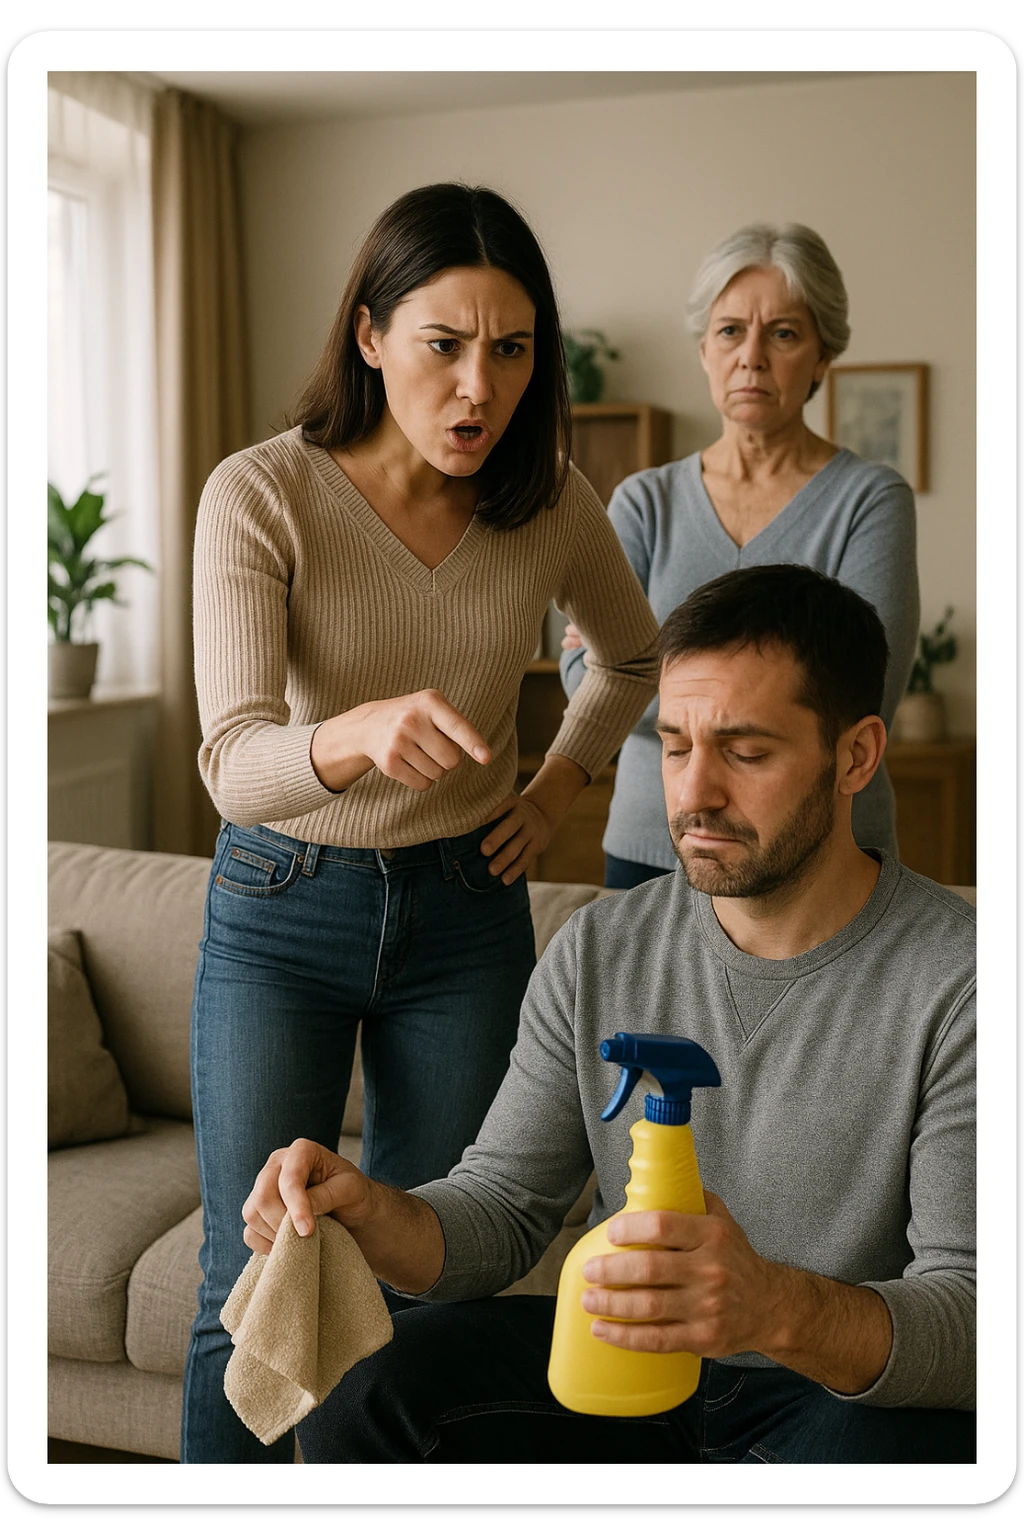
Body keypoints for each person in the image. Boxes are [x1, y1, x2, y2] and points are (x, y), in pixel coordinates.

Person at [243, 565, 975, 1465]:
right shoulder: (599, 949)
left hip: (831, 1399)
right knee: (368, 1389)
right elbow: (504, 1208)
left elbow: (977, 1313)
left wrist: (772, 1306)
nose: (694, 794)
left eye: (745, 753)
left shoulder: (964, 981)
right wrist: (367, 1216)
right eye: (674, 746)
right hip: (625, 1371)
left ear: (856, 756)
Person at [182, 183, 660, 1463]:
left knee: (425, 1282)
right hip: (283, 904)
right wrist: (351, 735)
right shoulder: (259, 495)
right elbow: (232, 762)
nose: (478, 386)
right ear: (369, 333)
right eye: (444, 344)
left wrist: (555, 787)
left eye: (510, 351)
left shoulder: (550, 499)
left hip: (465, 915)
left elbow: (631, 661)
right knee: (251, 1282)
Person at [561, 222, 920, 888]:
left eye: (783, 333)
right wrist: (765, 710)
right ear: (704, 350)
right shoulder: (643, 502)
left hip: (820, 852)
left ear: (822, 358)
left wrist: (645, 671)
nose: (751, 356)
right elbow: (586, 682)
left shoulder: (870, 499)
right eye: (730, 331)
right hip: (653, 847)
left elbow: (864, 694)